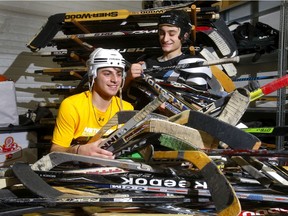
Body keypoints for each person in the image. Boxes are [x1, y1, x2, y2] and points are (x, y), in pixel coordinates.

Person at [50, 48, 134, 159]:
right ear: (93, 75)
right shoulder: (72, 105)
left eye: (119, 74)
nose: (115, 80)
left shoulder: (126, 108)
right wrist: (78, 150)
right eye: (107, 74)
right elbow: (55, 151)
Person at [126, 9, 212, 90]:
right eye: (162, 33)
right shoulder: (146, 64)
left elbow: (198, 103)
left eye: (171, 34)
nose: (165, 39)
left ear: (185, 35)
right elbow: (120, 96)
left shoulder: (194, 64)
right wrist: (128, 77)